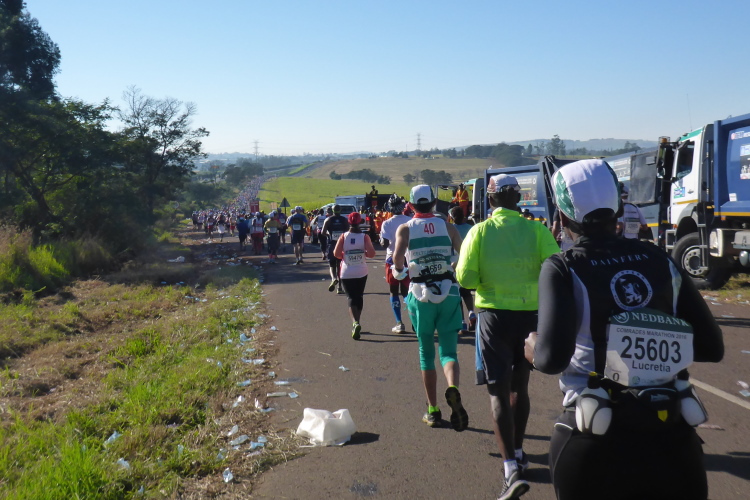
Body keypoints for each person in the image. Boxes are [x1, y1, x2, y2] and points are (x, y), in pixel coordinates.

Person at [524, 159, 724, 500]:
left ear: (562, 217)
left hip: (594, 433)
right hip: (670, 432)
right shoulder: (659, 259)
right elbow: (711, 347)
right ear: (619, 208)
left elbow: (551, 359)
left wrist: (532, 347)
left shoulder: (562, 267)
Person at [456, 174, 559, 500]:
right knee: (520, 387)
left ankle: (510, 468)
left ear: (490, 200)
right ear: (520, 199)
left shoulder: (480, 231)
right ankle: (517, 450)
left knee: (498, 392)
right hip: (530, 317)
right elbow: (554, 267)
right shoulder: (537, 230)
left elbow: (466, 278)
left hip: (493, 317)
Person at [392, 185, 468, 431]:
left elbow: (398, 258)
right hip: (448, 292)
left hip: (420, 294)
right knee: (449, 352)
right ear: (434, 203)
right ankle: (453, 388)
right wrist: (452, 266)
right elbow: (464, 254)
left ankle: (433, 410)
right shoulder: (448, 227)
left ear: (411, 205)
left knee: (426, 353)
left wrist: (400, 271)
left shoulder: (405, 228)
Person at [334, 212, 376, 340]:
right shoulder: (364, 237)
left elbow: (336, 254)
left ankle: (355, 322)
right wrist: (362, 253)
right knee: (359, 296)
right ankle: (357, 321)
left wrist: (345, 254)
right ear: (360, 222)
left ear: (349, 222)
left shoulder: (343, 236)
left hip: (347, 271)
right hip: (361, 271)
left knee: (351, 297)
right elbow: (372, 254)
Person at [379, 194, 413, 333]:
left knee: (393, 291)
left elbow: (384, 244)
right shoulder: (410, 221)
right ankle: (415, 321)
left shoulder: (387, 223)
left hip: (391, 259)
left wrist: (381, 240)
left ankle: (399, 323)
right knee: (408, 291)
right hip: (408, 259)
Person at [449, 206, 476, 335]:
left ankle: (462, 322)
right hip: (468, 262)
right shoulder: (470, 228)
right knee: (466, 292)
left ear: (452, 217)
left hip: (454, 262)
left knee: (457, 294)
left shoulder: (450, 229)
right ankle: (471, 313)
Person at [322, 204, 350, 294]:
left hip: (332, 244)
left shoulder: (328, 219)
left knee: (332, 264)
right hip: (342, 245)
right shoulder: (344, 220)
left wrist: (329, 235)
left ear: (332, 211)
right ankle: (339, 287)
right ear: (340, 210)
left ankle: (333, 278)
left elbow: (322, 232)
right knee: (340, 266)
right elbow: (348, 232)